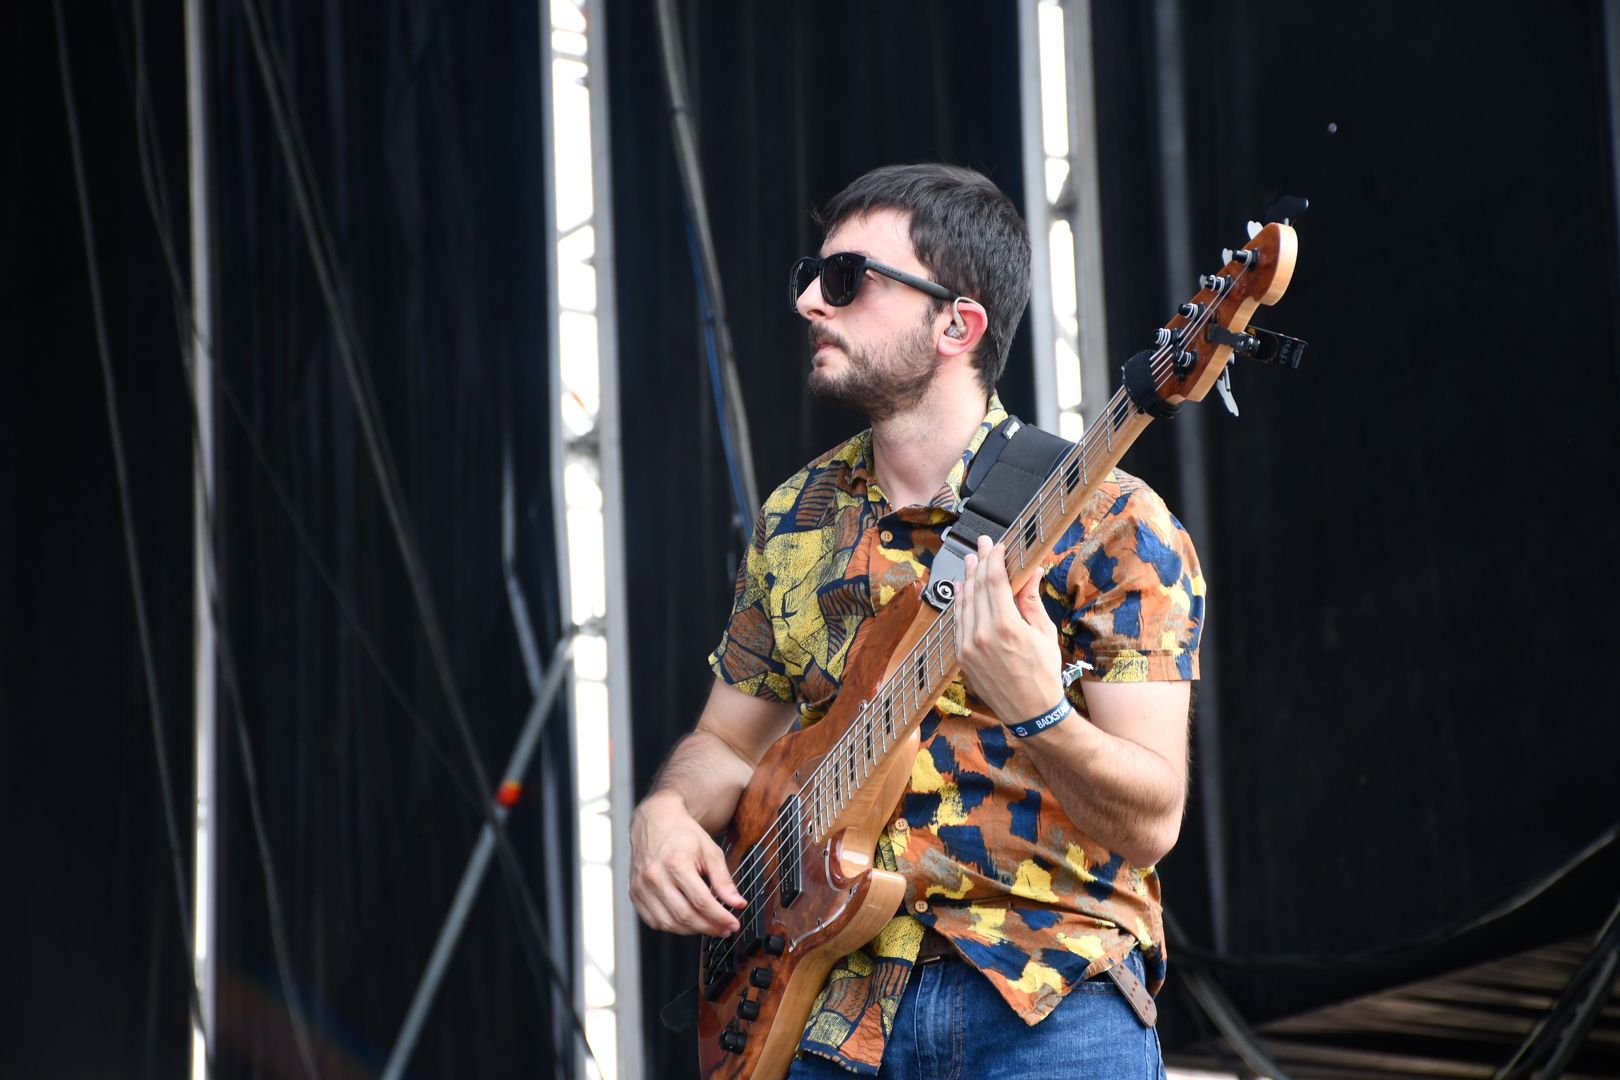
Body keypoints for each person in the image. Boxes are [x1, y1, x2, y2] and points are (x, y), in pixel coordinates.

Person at [630, 163, 1202, 1078]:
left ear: (956, 325)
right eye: (811, 277)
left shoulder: (1111, 519)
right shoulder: (796, 519)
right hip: (829, 1015)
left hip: (1047, 1000)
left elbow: (1152, 820)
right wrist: (665, 811)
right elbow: (727, 744)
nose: (810, 302)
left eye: (846, 279)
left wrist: (1039, 713)